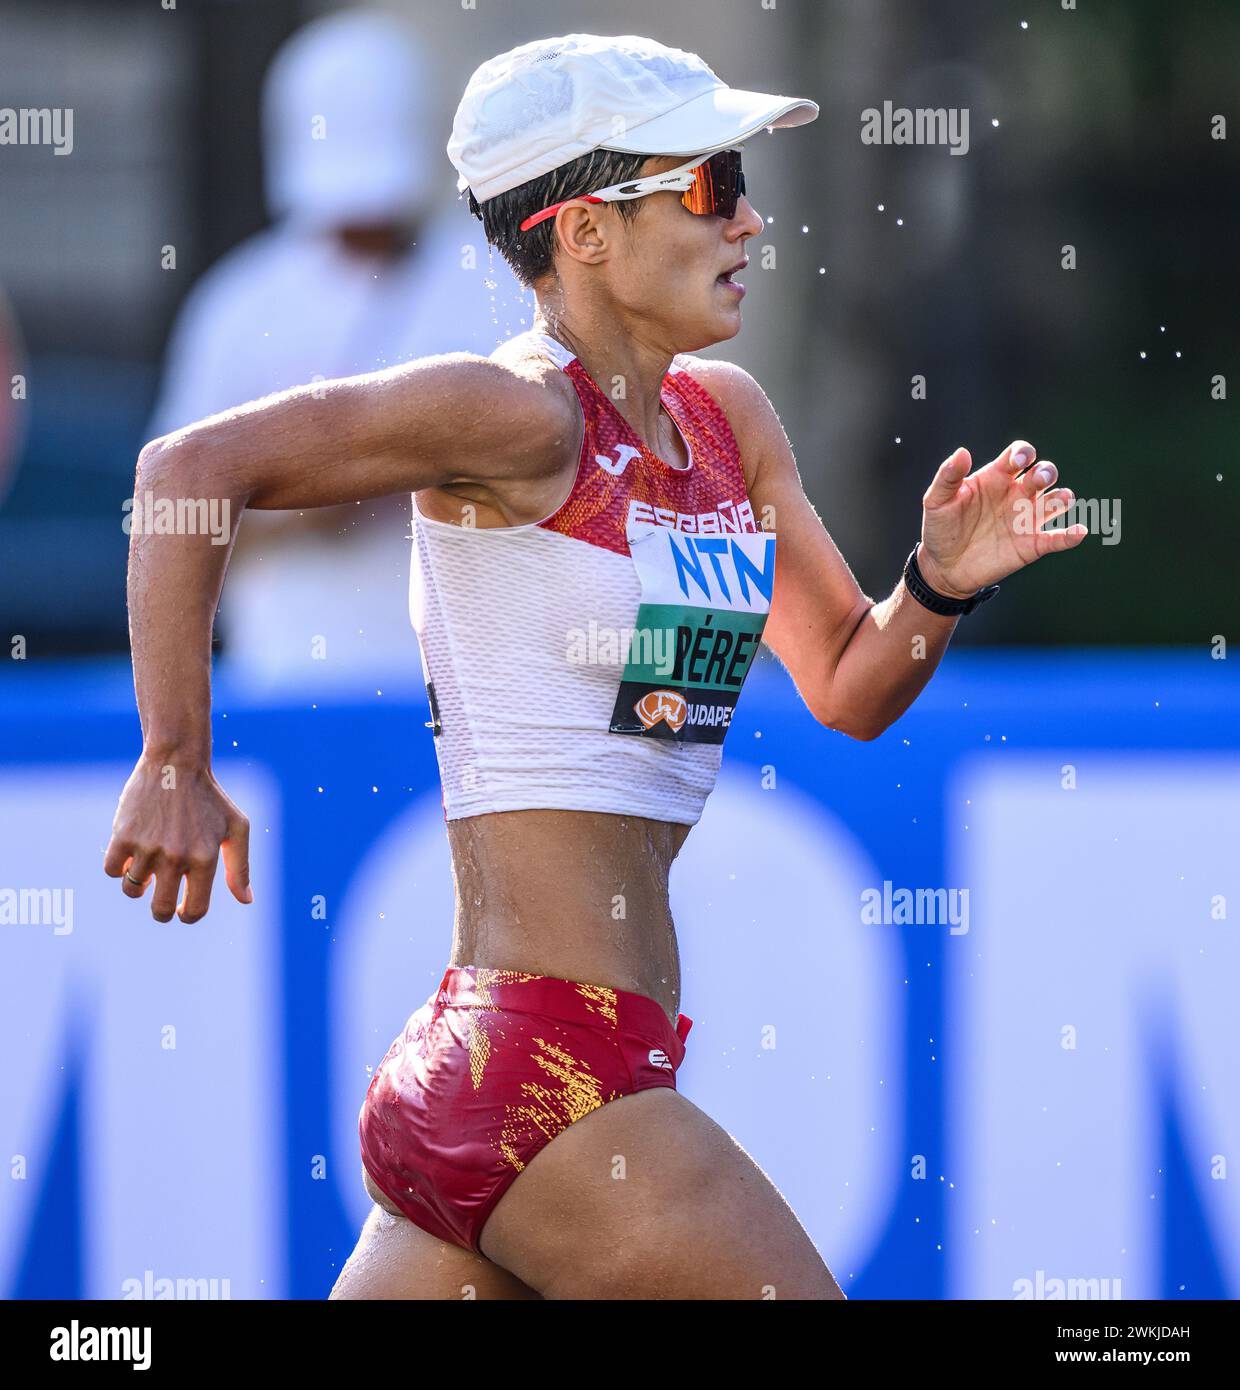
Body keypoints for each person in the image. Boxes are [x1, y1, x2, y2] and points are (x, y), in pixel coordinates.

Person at [104, 33, 1085, 1300]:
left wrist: (939, 581)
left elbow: (846, 683)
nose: (746, 216)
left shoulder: (725, 422)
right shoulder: (515, 413)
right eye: (705, 184)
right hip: (544, 1078)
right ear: (582, 232)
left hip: (518, 1079)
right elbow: (182, 471)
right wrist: (174, 758)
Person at [146, 9, 528, 693]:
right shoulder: (238, 307)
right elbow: (165, 526)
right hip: (287, 684)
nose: (365, 227)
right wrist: (312, 497)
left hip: (477, 693)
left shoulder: (502, 286)